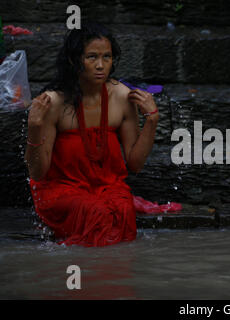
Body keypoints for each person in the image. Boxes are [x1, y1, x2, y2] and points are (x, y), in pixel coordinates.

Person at [24, 21, 159, 247]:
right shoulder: (54, 102)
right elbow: (38, 173)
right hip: (61, 189)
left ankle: (112, 276)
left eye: (107, 57)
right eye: (91, 57)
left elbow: (135, 164)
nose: (100, 65)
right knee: (94, 212)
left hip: (107, 185)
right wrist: (35, 127)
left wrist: (152, 121)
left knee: (123, 210)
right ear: (74, 60)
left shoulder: (122, 97)